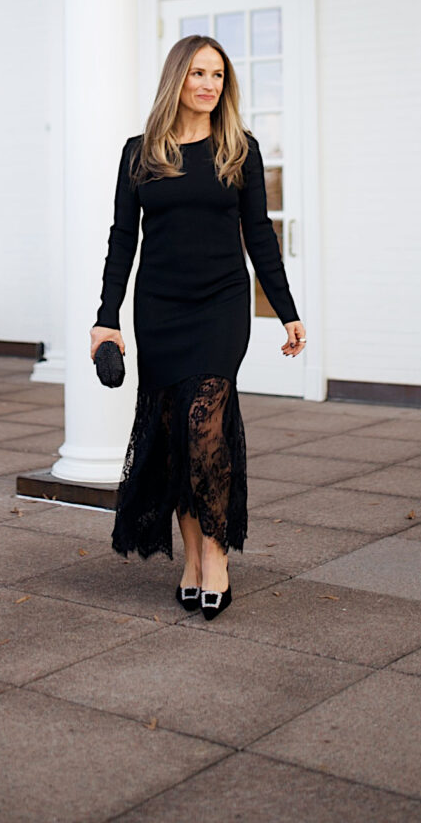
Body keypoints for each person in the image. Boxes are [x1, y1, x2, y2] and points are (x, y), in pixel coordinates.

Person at [91, 34, 306, 620]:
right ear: (176, 81)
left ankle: (216, 559)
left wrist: (285, 310)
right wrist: (105, 320)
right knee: (176, 440)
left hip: (220, 304)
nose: (209, 85)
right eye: (198, 74)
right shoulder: (140, 153)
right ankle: (190, 559)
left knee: (203, 424)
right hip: (159, 306)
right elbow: (121, 242)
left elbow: (259, 236)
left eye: (217, 75)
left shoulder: (240, 149)